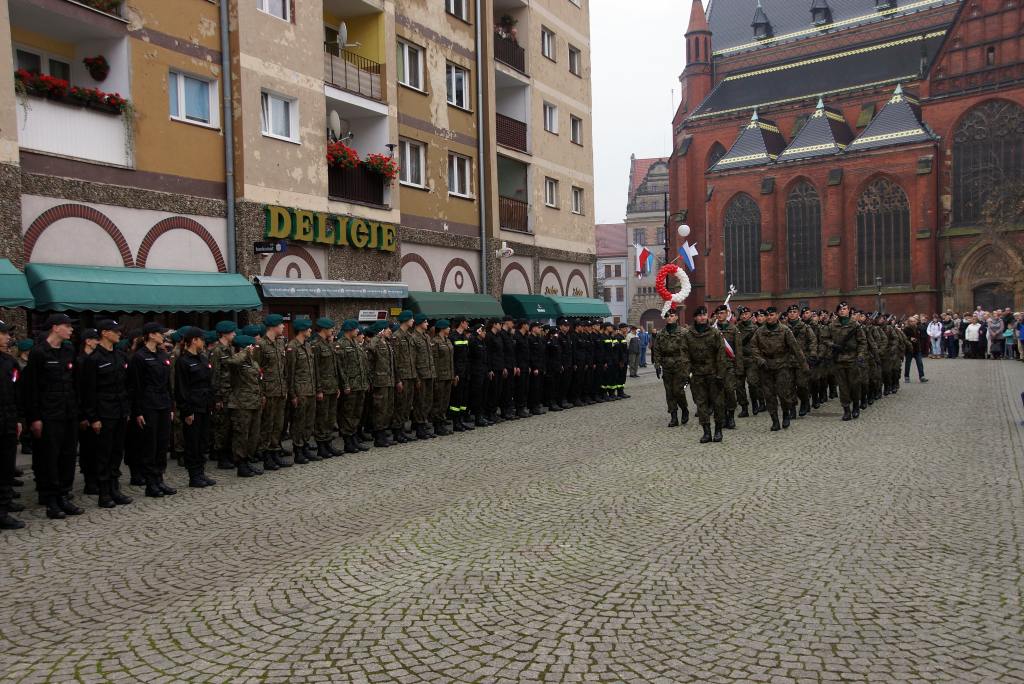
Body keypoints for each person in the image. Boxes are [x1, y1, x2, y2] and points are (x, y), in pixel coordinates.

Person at [77, 319, 133, 509]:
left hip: (119, 411)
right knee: (103, 454)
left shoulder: (119, 355)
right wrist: (93, 417)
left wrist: (126, 410)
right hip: (104, 412)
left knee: (117, 452)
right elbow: (88, 391)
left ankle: (115, 488)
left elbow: (125, 385)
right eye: (116, 331)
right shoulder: (93, 359)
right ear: (105, 333)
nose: (119, 334)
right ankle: (104, 493)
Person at [128, 322, 176, 498]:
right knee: (150, 445)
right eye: (159, 333)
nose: (162, 336)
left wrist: (171, 405)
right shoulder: (139, 357)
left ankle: (159, 479)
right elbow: (135, 386)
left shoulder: (162, 354)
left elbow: (167, 384)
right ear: (150, 335)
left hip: (163, 403)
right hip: (148, 404)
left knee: (162, 444)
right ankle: (151, 483)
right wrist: (138, 411)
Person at [750, 306, 807, 432]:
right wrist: (760, 359)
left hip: (782, 365)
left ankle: (786, 413)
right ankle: (775, 420)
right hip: (766, 366)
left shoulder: (785, 330)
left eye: (772, 315)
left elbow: (796, 349)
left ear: (777, 315)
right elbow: (753, 347)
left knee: (783, 393)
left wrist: (804, 366)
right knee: (769, 395)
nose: (769, 317)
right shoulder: (760, 331)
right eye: (768, 315)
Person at [173, 326, 217, 488]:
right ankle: (194, 475)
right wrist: (187, 410)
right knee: (192, 442)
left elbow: (208, 382)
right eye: (201, 339)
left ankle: (201, 472)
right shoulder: (183, 361)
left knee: (203, 441)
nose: (204, 342)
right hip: (193, 407)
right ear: (194, 341)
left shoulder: (203, 358)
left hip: (205, 405)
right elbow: (181, 388)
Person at [682, 306, 727, 443]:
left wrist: (721, 374)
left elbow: (721, 354)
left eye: (704, 314)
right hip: (697, 374)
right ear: (695, 317)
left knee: (717, 403)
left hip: (713, 373)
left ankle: (718, 431)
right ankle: (706, 432)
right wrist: (686, 374)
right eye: (699, 315)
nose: (702, 317)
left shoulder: (715, 333)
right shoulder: (688, 335)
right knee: (701, 404)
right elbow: (685, 355)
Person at [0, 320, 25, 529]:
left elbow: (15, 393)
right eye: (4, 333)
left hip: (7, 420)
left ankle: (4, 505)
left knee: (7, 465)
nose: (8, 337)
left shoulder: (9, 362)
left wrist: (17, 419)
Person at [227, 334, 263, 477]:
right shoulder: (238, 361)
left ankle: (248, 461)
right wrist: (244, 351)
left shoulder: (252, 362)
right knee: (241, 435)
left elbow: (258, 381)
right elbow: (232, 362)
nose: (254, 349)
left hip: (254, 403)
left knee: (253, 436)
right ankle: (241, 464)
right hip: (241, 404)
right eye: (252, 347)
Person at [258, 314, 290, 470]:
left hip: (280, 390)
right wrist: (262, 393)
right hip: (268, 391)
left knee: (278, 424)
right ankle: (266, 456)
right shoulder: (261, 345)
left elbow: (283, 369)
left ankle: (275, 452)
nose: (283, 327)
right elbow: (258, 372)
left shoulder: (280, 343)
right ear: (273, 326)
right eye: (281, 325)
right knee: (267, 425)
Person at [336, 319, 370, 453]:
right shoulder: (341, 345)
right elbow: (341, 368)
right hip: (350, 385)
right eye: (356, 329)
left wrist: (365, 382)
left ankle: (354, 437)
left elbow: (362, 366)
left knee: (357, 413)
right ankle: (348, 441)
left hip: (360, 384)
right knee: (348, 414)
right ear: (350, 329)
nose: (358, 331)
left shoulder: (356, 344)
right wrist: (345, 385)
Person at [652, 308, 690, 427]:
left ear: (677, 317)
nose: (670, 318)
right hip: (667, 365)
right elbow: (656, 350)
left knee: (678, 390)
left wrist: (689, 367)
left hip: (680, 365)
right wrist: (657, 365)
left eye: (672, 315)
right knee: (669, 392)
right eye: (668, 316)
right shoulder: (661, 334)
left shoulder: (684, 332)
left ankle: (684, 409)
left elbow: (689, 350)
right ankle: (673, 416)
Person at [830, 302, 867, 421]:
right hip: (839, 360)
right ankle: (846, 410)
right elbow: (824, 339)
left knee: (854, 384)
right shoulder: (832, 325)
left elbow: (862, 342)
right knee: (842, 386)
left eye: (844, 309)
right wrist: (833, 345)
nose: (842, 311)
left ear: (848, 311)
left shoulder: (855, 325)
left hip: (852, 359)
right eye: (840, 309)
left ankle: (856, 406)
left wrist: (860, 355)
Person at [311, 318, 342, 459]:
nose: (332, 331)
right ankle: (321, 446)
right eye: (330, 328)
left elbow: (333, 368)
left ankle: (328, 443)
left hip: (331, 386)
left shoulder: (329, 344)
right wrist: (318, 389)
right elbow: (316, 370)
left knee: (330, 418)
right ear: (323, 329)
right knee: (322, 418)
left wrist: (336, 386)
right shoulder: (316, 345)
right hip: (323, 387)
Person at [209, 321, 237, 470]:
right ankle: (221, 456)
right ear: (225, 334)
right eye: (232, 332)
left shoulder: (230, 349)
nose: (234, 334)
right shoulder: (217, 351)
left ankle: (228, 454)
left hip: (231, 393)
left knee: (230, 426)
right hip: (222, 394)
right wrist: (217, 398)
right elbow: (214, 375)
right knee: (222, 427)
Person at [713, 305, 742, 429]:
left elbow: (738, 350)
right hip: (716, 367)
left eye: (722, 313)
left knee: (730, 391)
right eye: (718, 313)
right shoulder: (712, 330)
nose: (720, 315)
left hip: (729, 366)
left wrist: (739, 368)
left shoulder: (734, 330)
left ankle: (730, 415)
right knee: (719, 394)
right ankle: (723, 416)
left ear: (727, 314)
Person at [391, 311, 416, 442]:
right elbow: (394, 360)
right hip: (402, 376)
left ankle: (401, 430)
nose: (413, 321)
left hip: (410, 375)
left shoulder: (409, 336)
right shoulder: (396, 337)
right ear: (406, 320)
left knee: (407, 405)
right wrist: (398, 379)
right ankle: (397, 431)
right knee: (400, 405)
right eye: (411, 319)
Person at [410, 314, 437, 439]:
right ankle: (419, 427)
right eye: (425, 322)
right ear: (419, 323)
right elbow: (412, 359)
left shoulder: (426, 337)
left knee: (427, 400)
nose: (427, 324)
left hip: (429, 373)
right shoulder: (413, 338)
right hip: (420, 375)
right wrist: (416, 378)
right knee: (420, 402)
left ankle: (423, 423)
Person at [447, 318, 473, 431]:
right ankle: (455, 422)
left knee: (463, 398)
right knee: (456, 399)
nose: (468, 324)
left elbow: (466, 356)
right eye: (466, 322)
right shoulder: (453, 337)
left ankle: (461, 420)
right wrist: (455, 373)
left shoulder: (463, 337)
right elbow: (452, 358)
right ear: (461, 323)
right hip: (458, 372)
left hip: (465, 372)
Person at [430, 320, 455, 436]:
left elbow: (451, 359)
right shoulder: (435, 342)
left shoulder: (448, 340)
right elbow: (434, 360)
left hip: (448, 375)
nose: (449, 329)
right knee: (438, 402)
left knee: (445, 401)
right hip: (440, 376)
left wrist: (453, 374)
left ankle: (442, 422)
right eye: (447, 327)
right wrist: (435, 376)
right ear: (442, 328)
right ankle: (437, 425)